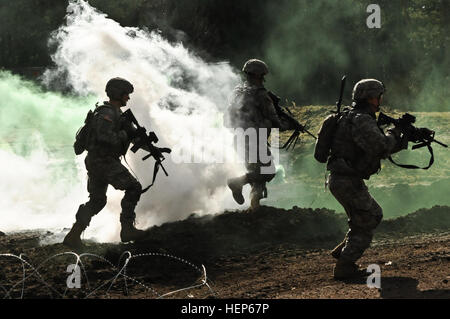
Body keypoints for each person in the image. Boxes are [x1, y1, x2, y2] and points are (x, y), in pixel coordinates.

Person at [326, 79, 408, 279]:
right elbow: (380, 147)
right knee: (370, 217)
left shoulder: (348, 116)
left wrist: (400, 136)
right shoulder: (362, 119)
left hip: (341, 178)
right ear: (372, 97)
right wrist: (396, 133)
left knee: (365, 217)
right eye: (379, 96)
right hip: (347, 180)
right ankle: (345, 265)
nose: (380, 100)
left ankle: (344, 252)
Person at [63, 77, 149, 249]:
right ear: (118, 93)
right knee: (133, 187)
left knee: (97, 200)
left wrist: (151, 148)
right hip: (102, 161)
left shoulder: (116, 114)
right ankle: (127, 229)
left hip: (98, 161)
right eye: (126, 95)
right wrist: (125, 134)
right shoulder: (107, 114)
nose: (128, 98)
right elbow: (104, 137)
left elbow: (134, 137)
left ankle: (73, 236)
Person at [226, 59, 292, 211]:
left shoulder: (237, 92)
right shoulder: (262, 95)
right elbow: (276, 121)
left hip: (240, 139)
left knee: (257, 173)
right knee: (268, 171)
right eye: (262, 75)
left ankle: (254, 206)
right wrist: (288, 125)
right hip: (254, 140)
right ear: (258, 75)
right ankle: (236, 183)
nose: (263, 78)